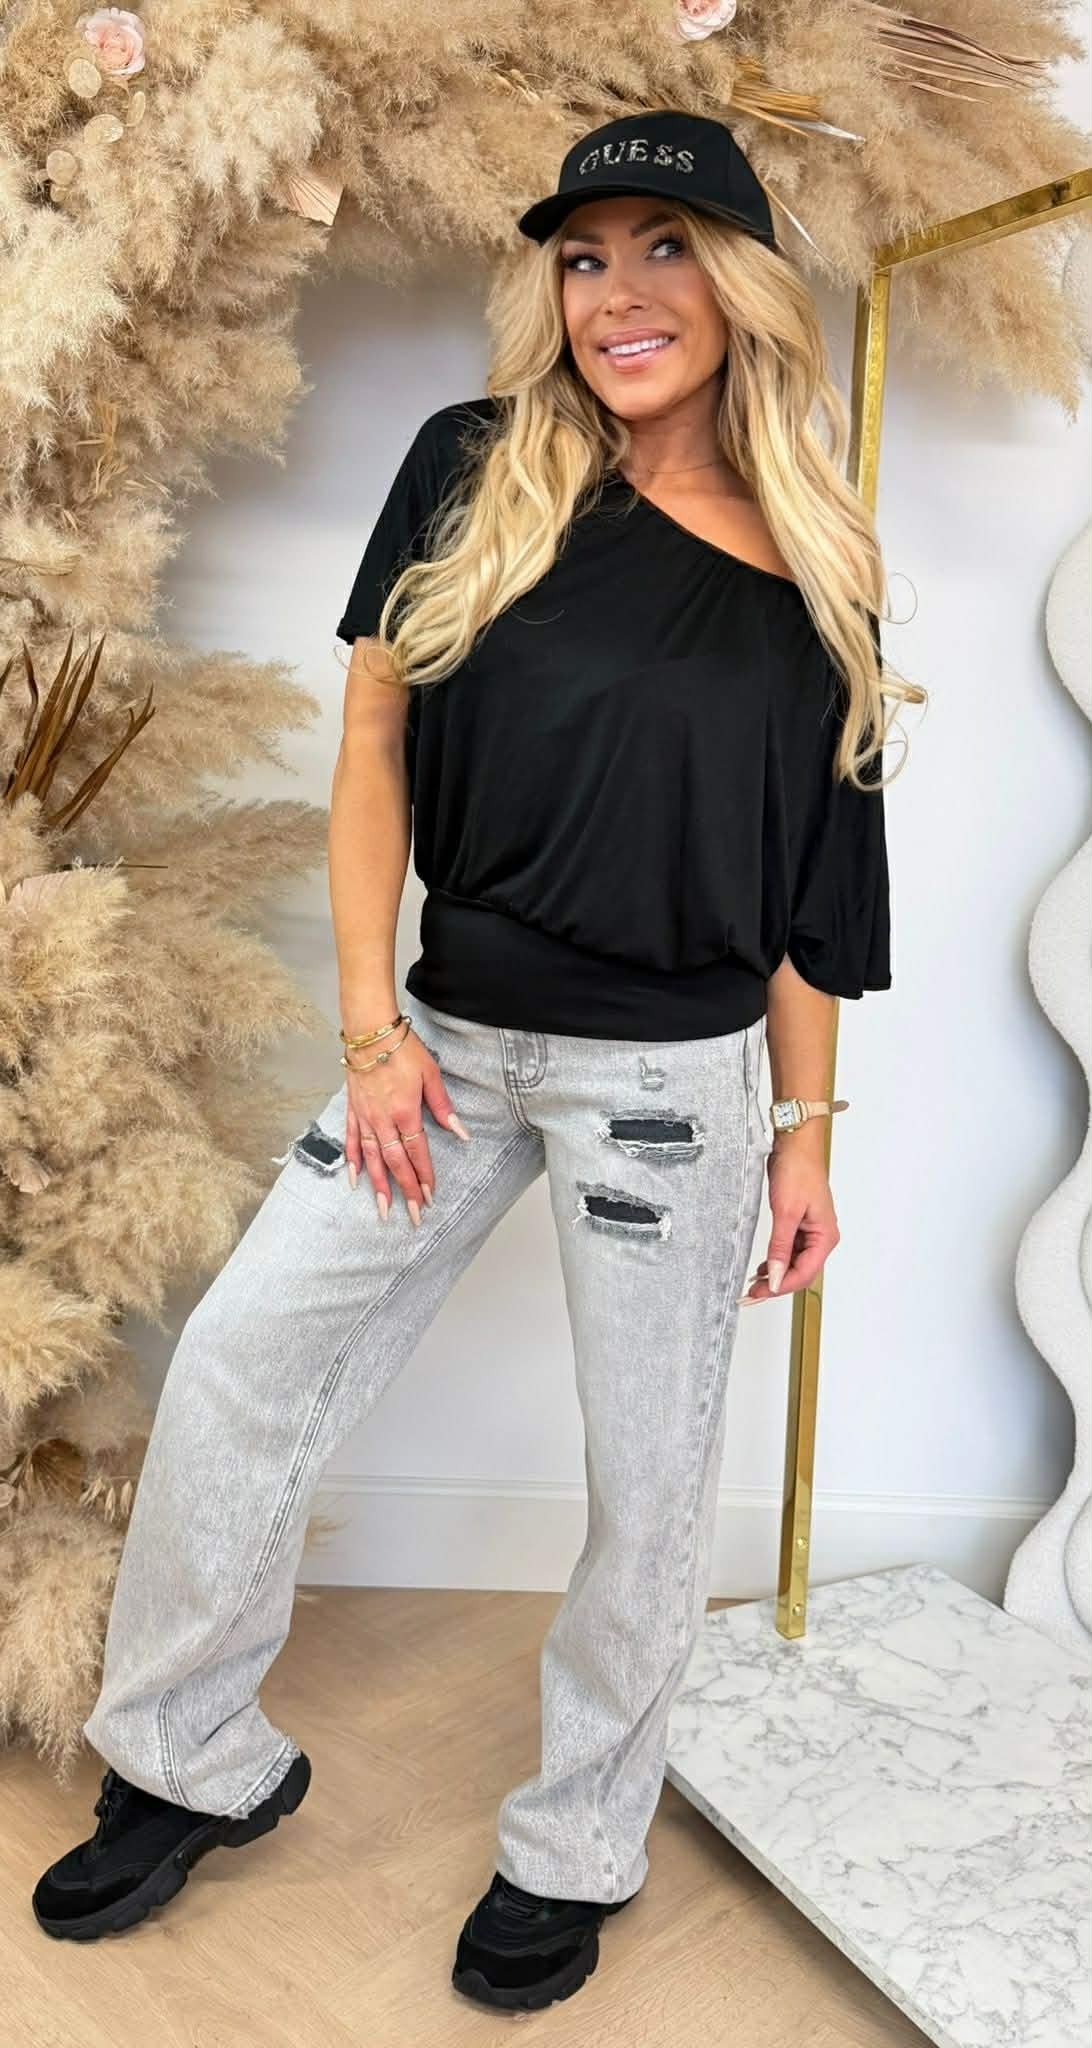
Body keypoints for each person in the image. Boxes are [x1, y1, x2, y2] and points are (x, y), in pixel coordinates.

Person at [32, 109, 901, 2013]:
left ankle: (578, 1843)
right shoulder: (471, 464)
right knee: (244, 1368)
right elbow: (372, 753)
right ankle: (187, 1758)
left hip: (666, 1092)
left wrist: (805, 1136)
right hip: (441, 1049)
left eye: (663, 248)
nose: (617, 294)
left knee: (649, 1487)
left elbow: (811, 890)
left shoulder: (814, 561)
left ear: (741, 283)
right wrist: (371, 1030)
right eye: (583, 258)